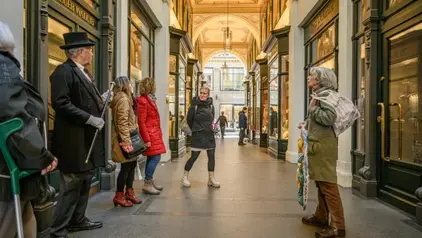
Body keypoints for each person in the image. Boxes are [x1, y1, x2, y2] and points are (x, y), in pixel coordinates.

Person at [0, 21, 58, 238]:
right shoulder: (4, 67)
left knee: (24, 218)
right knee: (11, 223)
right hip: (7, 169)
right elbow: (13, 117)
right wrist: (41, 156)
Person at [50, 32, 106, 237]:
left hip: (86, 140)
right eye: (89, 50)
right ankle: (58, 229)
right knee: (71, 185)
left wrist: (101, 99)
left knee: (84, 181)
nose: (91, 53)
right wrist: (89, 119)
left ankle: (78, 220)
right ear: (80, 52)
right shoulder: (63, 71)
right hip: (72, 140)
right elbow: (61, 103)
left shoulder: (83, 73)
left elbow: (85, 100)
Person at [301, 67, 345, 238]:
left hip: (323, 148)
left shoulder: (325, 95)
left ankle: (337, 227)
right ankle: (321, 216)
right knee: (321, 183)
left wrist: (312, 109)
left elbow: (329, 118)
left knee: (328, 185)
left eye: (311, 75)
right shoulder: (321, 94)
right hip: (318, 145)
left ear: (320, 80)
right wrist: (306, 124)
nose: (308, 77)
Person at [110, 76, 142, 207]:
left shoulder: (125, 98)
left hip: (129, 135)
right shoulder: (123, 99)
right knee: (126, 167)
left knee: (131, 166)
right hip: (127, 137)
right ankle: (119, 195)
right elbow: (122, 122)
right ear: (125, 85)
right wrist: (126, 141)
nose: (132, 86)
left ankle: (129, 192)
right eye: (130, 83)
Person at [181, 87, 220, 188]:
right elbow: (189, 120)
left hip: (209, 135)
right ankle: (185, 177)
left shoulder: (211, 106)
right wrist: (197, 129)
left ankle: (211, 179)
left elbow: (212, 119)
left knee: (211, 157)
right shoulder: (194, 106)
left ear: (208, 95)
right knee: (194, 157)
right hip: (198, 136)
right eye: (201, 93)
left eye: (205, 93)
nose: (202, 95)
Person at [137, 77, 166, 195]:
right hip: (150, 134)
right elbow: (141, 121)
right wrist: (147, 139)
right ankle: (147, 183)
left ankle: (150, 181)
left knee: (151, 157)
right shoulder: (143, 101)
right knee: (156, 158)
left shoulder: (150, 99)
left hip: (154, 133)